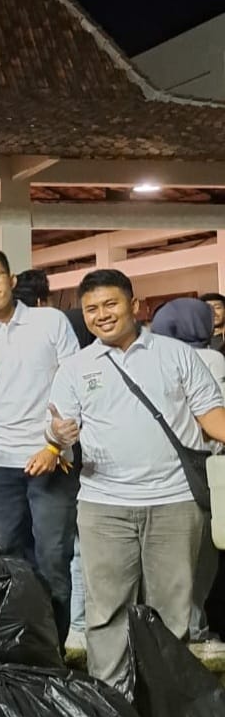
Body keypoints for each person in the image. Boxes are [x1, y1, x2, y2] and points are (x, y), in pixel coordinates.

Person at [48, 269, 225, 692]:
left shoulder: (177, 355)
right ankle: (114, 705)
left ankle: (168, 702)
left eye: (110, 304)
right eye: (91, 309)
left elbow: (211, 416)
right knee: (106, 610)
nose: (101, 315)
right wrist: (58, 437)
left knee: (172, 610)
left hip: (175, 502)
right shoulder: (74, 367)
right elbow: (55, 427)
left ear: (134, 305)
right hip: (103, 505)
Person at [0, 248, 80, 643]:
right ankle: (24, 642)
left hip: (51, 459)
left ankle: (55, 646)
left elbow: (73, 385)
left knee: (53, 557)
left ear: (11, 280)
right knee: (7, 554)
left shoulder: (50, 321)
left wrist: (53, 447)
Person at [151, 297, 225, 654]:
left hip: (169, 470)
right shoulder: (211, 357)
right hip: (203, 468)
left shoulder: (158, 356)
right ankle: (195, 627)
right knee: (201, 557)